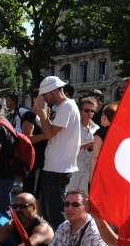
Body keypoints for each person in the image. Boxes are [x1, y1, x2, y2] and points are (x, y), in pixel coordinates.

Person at [32, 77, 81, 230]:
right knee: (48, 212)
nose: (44, 100)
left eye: (45, 95)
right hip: (55, 167)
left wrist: (41, 111)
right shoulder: (64, 106)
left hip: (58, 168)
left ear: (54, 91)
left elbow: (49, 134)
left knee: (55, 214)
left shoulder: (66, 106)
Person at [21, 89, 48, 209]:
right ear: (34, 99)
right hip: (32, 160)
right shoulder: (29, 116)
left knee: (38, 192)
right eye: (43, 99)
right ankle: (25, 216)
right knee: (30, 190)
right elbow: (28, 138)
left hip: (43, 159)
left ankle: (36, 217)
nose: (45, 101)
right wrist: (46, 134)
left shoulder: (42, 115)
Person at [68, 97, 99, 192]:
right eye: (87, 110)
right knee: (68, 199)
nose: (90, 113)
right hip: (73, 170)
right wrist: (84, 145)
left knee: (82, 201)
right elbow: (66, 147)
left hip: (87, 172)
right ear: (80, 111)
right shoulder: (72, 126)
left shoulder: (96, 128)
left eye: (92, 111)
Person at [89, 103, 118, 184]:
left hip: (103, 171)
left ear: (104, 117)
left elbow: (95, 156)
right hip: (117, 171)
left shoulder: (100, 132)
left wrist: (91, 178)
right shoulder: (121, 132)